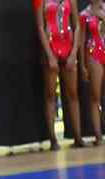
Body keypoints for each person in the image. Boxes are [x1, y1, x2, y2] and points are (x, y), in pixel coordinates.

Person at [36, 0, 85, 150]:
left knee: (73, 94)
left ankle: (78, 137)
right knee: (50, 95)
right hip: (51, 48)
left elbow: (77, 26)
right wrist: (49, 55)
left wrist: (74, 53)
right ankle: (53, 139)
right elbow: (40, 27)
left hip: (68, 47)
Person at [80, 0, 105, 145]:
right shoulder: (85, 14)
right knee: (95, 95)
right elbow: (82, 40)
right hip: (93, 53)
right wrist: (82, 65)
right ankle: (98, 135)